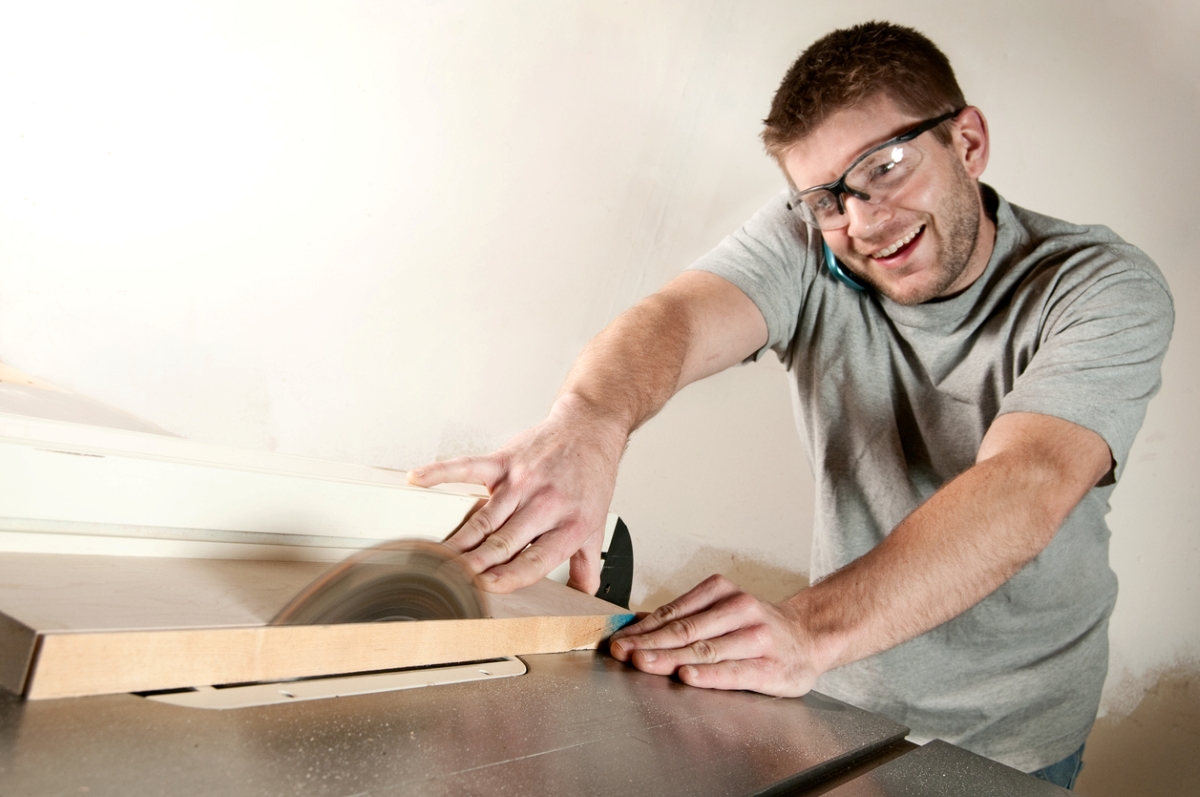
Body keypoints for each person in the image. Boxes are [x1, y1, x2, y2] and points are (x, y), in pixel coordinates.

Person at [408, 21, 1173, 788]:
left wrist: (805, 629)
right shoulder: (809, 242)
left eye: (888, 166)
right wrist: (587, 421)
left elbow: (1028, 482)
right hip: (836, 702)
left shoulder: (1098, 284)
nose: (863, 221)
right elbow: (674, 319)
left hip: (1011, 738)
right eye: (828, 197)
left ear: (967, 143)